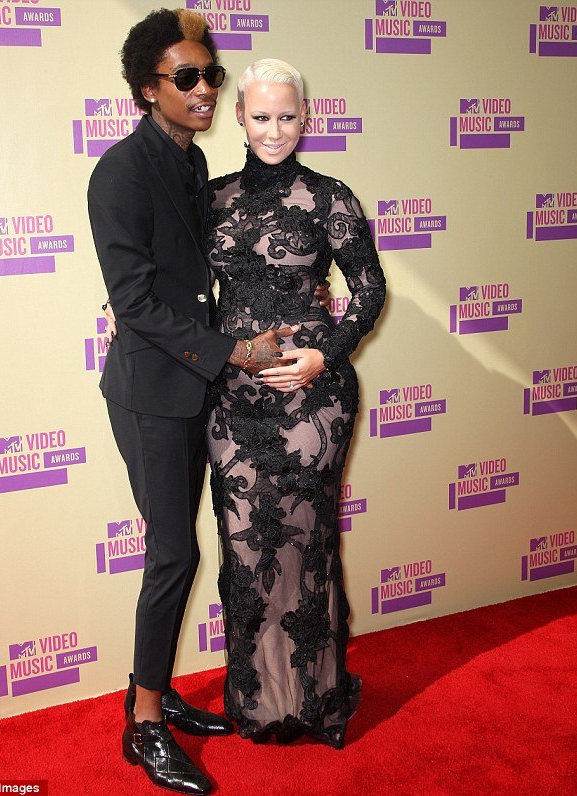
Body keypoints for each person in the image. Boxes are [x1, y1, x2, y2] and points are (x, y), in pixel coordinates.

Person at [88, 11, 326, 794]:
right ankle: (144, 722)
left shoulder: (192, 164)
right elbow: (135, 304)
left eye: (210, 75)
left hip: (196, 389)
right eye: (185, 77)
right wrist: (235, 352)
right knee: (174, 554)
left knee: (187, 550)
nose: (203, 89)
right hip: (152, 396)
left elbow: (209, 275)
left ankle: (151, 694)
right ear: (145, 88)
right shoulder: (122, 173)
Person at [204, 58, 386, 749]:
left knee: (307, 544)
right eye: (260, 116)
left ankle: (315, 699)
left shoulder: (330, 198)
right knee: (246, 549)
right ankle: (260, 700)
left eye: (286, 116)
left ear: (305, 118)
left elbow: (369, 289)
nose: (274, 130)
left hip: (315, 398)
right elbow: (182, 290)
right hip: (233, 399)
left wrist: (323, 355)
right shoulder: (211, 199)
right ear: (239, 117)